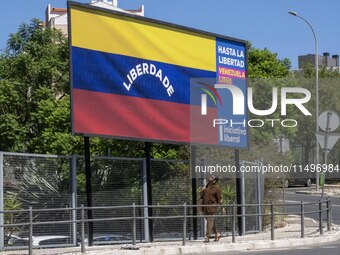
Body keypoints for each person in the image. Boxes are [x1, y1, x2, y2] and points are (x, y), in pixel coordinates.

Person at [200, 175, 223, 242]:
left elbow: (220, 199)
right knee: (211, 222)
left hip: (212, 207)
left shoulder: (216, 188)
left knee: (210, 221)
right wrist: (202, 190)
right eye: (210, 176)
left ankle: (207, 237)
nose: (209, 177)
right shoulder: (205, 187)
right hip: (204, 207)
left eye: (212, 177)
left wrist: (222, 207)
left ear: (214, 181)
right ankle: (217, 234)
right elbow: (201, 197)